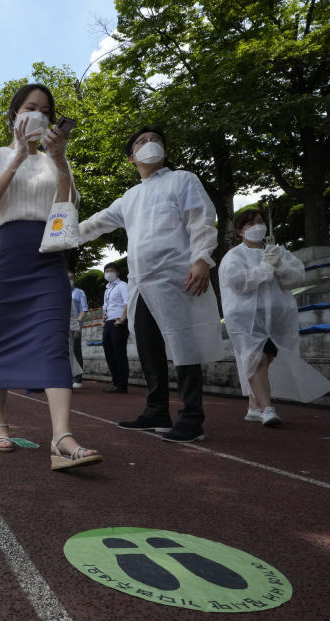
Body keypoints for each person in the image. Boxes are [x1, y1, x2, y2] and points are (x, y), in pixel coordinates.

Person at [0, 82, 101, 469]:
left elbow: (69, 205)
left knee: (53, 341)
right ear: (15, 115)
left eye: (46, 110)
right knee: (3, 340)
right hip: (6, 255)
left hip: (47, 257)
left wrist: (59, 160)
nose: (39, 114)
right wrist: (16, 156)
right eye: (31, 107)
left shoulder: (55, 159)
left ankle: (61, 437)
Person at [78, 125, 224, 443]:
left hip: (176, 276)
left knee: (184, 344)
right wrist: (63, 235)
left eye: (156, 140)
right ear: (132, 159)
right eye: (142, 142)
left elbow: (201, 217)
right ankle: (156, 410)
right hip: (141, 283)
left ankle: (192, 417)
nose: (150, 144)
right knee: (148, 347)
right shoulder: (130, 197)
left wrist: (202, 259)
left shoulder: (182, 179)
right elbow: (98, 221)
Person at [219, 209, 330, 425]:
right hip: (247, 318)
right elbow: (238, 282)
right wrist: (264, 268)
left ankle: (254, 407)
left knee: (266, 359)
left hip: (277, 317)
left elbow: (296, 278)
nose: (257, 226)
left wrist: (279, 265)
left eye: (260, 222)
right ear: (239, 231)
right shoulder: (234, 256)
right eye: (250, 224)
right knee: (256, 359)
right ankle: (267, 409)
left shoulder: (278, 252)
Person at [101, 263, 130, 393]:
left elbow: (127, 302)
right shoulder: (107, 289)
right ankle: (115, 381)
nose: (109, 273)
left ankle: (122, 384)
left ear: (117, 273)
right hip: (108, 322)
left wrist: (123, 319)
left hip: (118, 321)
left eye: (111, 271)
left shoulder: (123, 286)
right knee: (109, 353)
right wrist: (103, 320)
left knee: (119, 353)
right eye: (106, 271)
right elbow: (105, 306)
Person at [69, 270, 88, 387]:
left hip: (74, 326)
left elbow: (84, 309)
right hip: (62, 328)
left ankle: (77, 379)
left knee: (76, 352)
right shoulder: (59, 292)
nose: (69, 280)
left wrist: (77, 323)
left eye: (71, 278)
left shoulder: (79, 293)